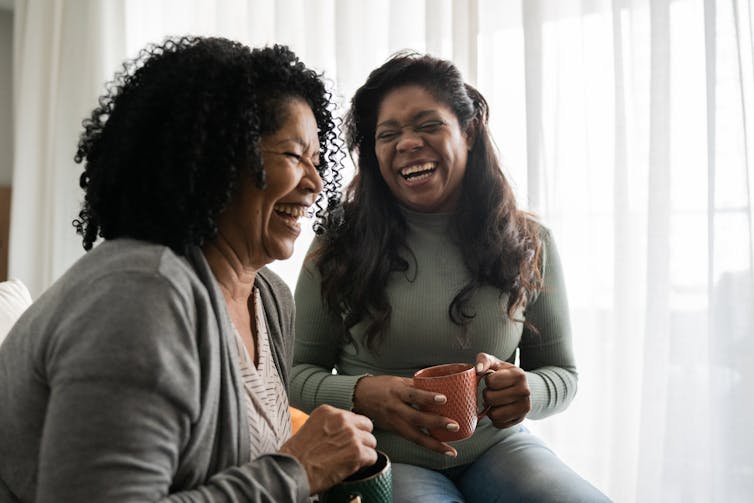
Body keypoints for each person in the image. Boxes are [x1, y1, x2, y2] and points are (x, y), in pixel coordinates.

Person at [0, 37, 377, 502]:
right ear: (218, 158)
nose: (316, 183)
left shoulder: (270, 297)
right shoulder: (140, 298)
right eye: (294, 156)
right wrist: (297, 472)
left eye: (318, 162)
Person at [290, 52, 611, 502]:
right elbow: (292, 373)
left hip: (498, 448)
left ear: (469, 131)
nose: (407, 143)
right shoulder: (339, 244)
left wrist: (529, 391)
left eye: (427, 125)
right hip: (385, 458)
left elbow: (561, 373)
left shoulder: (530, 240)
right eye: (388, 134)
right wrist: (361, 393)